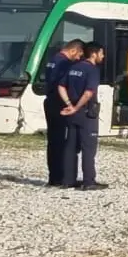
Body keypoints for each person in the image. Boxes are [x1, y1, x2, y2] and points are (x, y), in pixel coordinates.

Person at [57, 43, 107, 191]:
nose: (103, 56)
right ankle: (88, 181)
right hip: (86, 113)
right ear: (94, 54)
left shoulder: (73, 67)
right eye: (101, 53)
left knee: (71, 146)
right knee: (88, 148)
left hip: (71, 113)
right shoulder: (92, 70)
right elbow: (88, 93)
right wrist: (77, 107)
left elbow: (61, 86)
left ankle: (68, 180)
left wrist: (69, 104)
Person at [42, 39, 85, 187]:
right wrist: (70, 103)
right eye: (79, 55)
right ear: (73, 50)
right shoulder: (65, 63)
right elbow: (64, 84)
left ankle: (53, 177)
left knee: (53, 141)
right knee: (63, 140)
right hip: (59, 104)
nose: (79, 58)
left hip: (49, 101)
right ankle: (63, 176)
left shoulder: (52, 60)